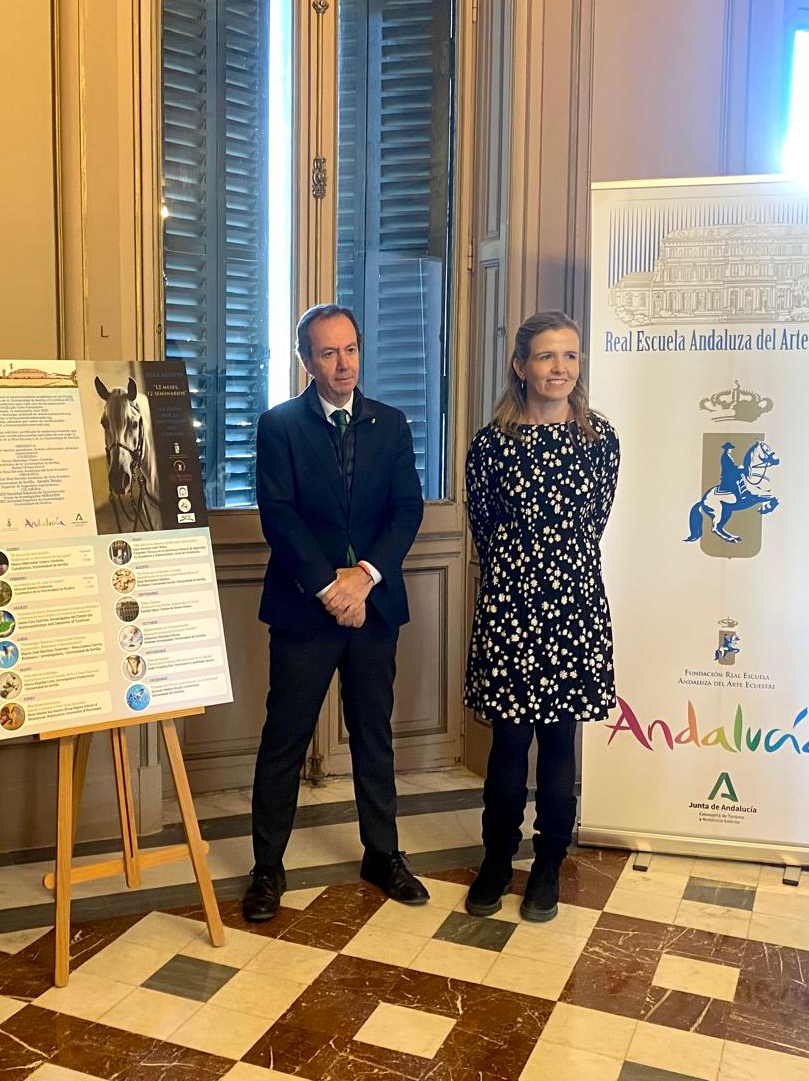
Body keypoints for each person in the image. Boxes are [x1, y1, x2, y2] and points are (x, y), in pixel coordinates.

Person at [243, 304, 426, 922]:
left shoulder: (391, 424)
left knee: (374, 735)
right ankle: (267, 868)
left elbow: (406, 511)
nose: (343, 363)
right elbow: (280, 515)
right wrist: (329, 587)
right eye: (328, 352)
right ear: (306, 361)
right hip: (304, 610)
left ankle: (384, 854)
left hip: (374, 608)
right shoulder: (279, 427)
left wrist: (364, 578)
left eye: (350, 349)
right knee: (284, 740)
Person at [463, 311, 620, 923]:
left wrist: (557, 570)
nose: (560, 369)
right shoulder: (490, 443)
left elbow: (595, 522)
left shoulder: (600, 438)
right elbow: (483, 528)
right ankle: (497, 860)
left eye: (571, 357)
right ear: (520, 365)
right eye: (548, 357)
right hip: (509, 605)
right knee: (507, 743)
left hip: (574, 606)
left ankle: (549, 863)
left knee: (560, 744)